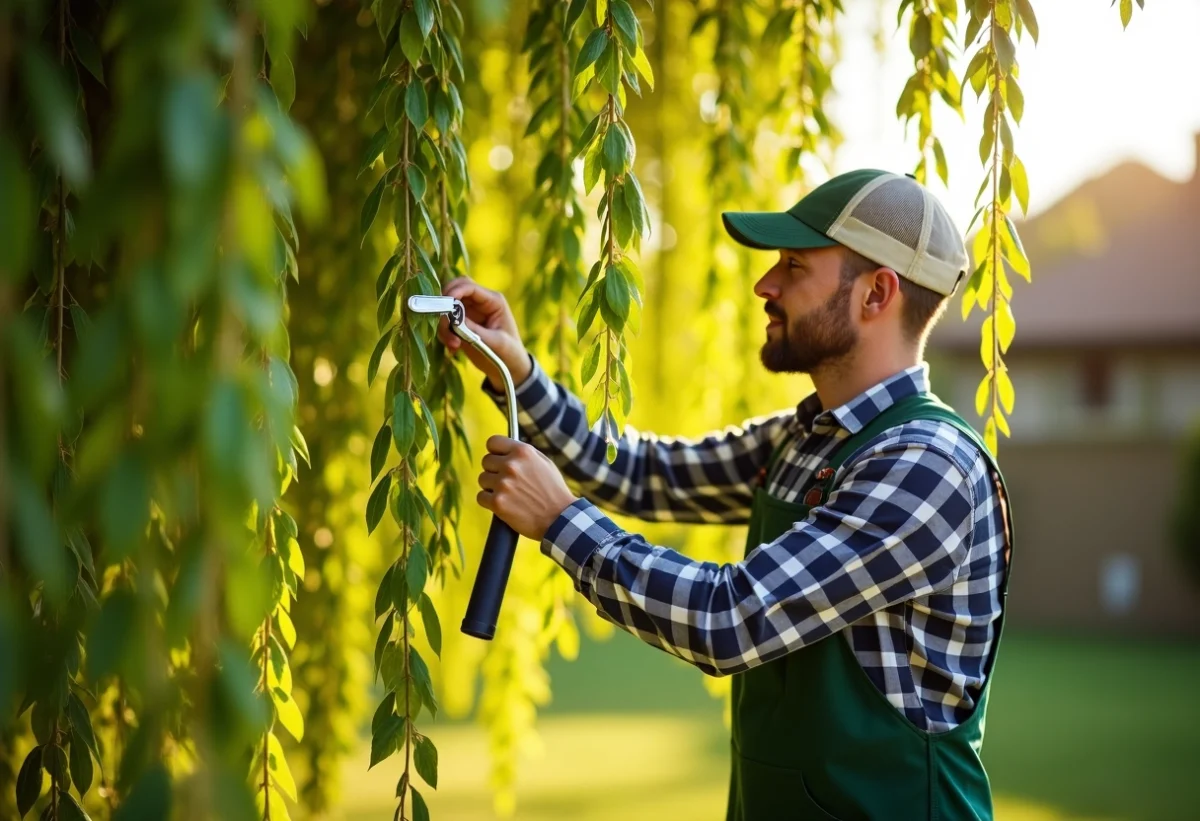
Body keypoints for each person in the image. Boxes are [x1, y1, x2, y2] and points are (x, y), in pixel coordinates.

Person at [435, 168, 1013, 821]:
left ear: (877, 293)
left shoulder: (927, 468)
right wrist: (519, 373)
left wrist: (561, 521)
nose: (765, 284)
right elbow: (643, 472)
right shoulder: (806, 438)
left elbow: (730, 619)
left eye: (794, 265)